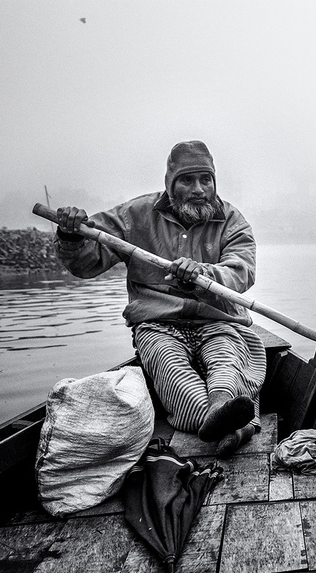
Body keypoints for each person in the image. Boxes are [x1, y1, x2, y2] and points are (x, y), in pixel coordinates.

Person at [53, 140, 265, 457]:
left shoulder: (233, 221)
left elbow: (241, 272)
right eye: (187, 180)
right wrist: (72, 235)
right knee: (173, 373)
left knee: (225, 362)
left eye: (205, 180)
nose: (199, 189)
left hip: (218, 322)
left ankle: (222, 404)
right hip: (158, 326)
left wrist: (203, 275)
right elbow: (87, 263)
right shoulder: (135, 215)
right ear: (170, 183)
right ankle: (233, 424)